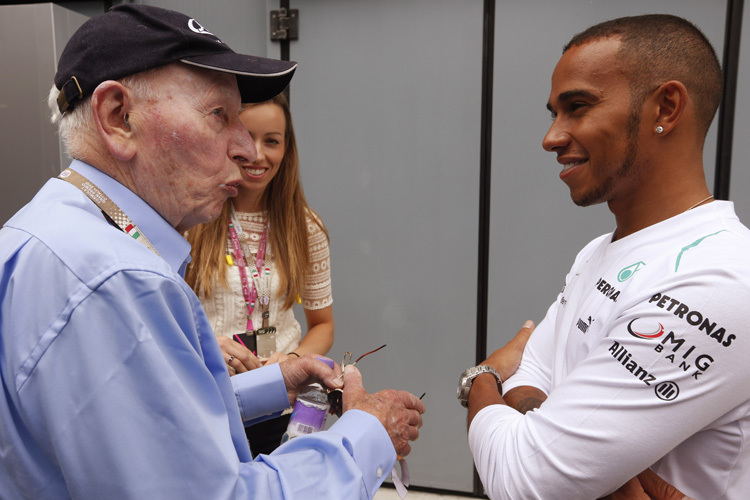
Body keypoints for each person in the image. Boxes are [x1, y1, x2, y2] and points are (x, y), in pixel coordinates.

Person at [0, 5, 424, 499]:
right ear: (118, 117)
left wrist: (273, 381)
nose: (246, 150)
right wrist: (368, 434)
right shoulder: (117, 282)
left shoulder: (51, 230)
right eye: (219, 115)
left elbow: (142, 425)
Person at [458, 14, 750, 500]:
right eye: (553, 113)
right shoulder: (599, 251)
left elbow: (521, 480)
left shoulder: (719, 279)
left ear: (667, 106)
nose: (551, 137)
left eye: (577, 107)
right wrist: (558, 438)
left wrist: (484, 377)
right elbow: (532, 374)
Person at [185, 93, 334, 455]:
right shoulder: (191, 219)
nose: (257, 153)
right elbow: (159, 314)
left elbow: (322, 325)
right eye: (246, 136)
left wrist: (295, 361)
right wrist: (205, 342)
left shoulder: (305, 226)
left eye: (272, 140)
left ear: (287, 149)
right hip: (207, 395)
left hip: (278, 399)